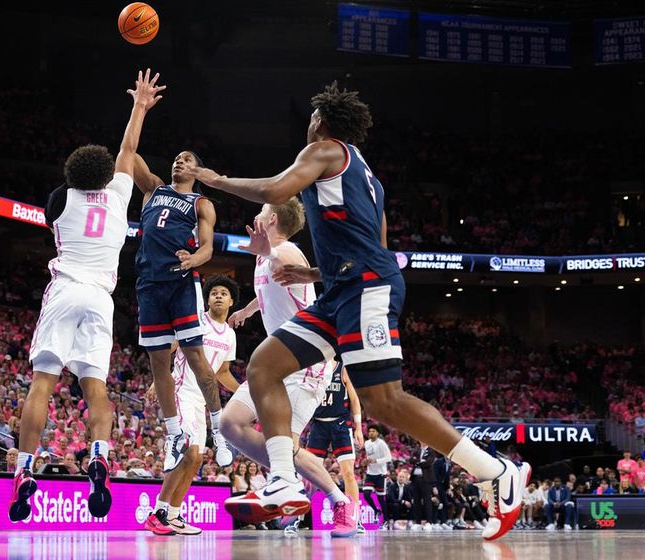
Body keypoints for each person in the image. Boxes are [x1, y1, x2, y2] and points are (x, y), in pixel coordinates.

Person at [187, 81, 529, 541]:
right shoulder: (370, 179)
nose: (308, 126)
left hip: (366, 288)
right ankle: (285, 481)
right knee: (265, 365)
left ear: (323, 122)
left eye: (312, 119)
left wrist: (213, 179)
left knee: (382, 399)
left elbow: (275, 188)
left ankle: (494, 470)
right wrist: (314, 277)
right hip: (345, 289)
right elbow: (375, 242)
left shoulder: (326, 150)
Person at [9, 68, 165, 522]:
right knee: (96, 389)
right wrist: (139, 105)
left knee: (43, 382)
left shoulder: (61, 199)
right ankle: (99, 455)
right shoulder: (119, 196)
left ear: (74, 175)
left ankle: (24, 469)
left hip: (65, 289)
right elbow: (128, 151)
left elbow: (68, 192)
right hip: (102, 297)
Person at [218, 202, 359, 536]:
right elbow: (274, 286)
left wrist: (265, 252)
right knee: (229, 424)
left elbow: (293, 267)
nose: (255, 215)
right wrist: (250, 309)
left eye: (261, 211)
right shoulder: (268, 255)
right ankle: (298, 483)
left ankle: (327, 498)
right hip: (276, 364)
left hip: (304, 363)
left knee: (284, 442)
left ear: (273, 219)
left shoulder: (287, 252)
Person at [131, 147, 230, 473]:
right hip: (149, 285)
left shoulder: (201, 203)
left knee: (196, 358)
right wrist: (139, 108)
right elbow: (128, 152)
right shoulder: (153, 189)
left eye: (188, 160)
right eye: (176, 157)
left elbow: (207, 248)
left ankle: (218, 427)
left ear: (198, 171)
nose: (179, 161)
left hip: (181, 283)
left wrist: (192, 260)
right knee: (159, 362)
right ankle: (175, 434)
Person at [144, 276, 240, 536]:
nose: (218, 296)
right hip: (181, 390)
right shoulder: (197, 320)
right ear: (207, 299)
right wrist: (158, 380)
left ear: (231, 301)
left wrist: (245, 392)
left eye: (224, 293)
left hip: (203, 401)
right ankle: (158, 513)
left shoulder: (230, 335)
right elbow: (172, 346)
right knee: (185, 449)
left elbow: (222, 372)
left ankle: (173, 516)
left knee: (196, 457)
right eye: (214, 293)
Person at [304, 363, 366, 533]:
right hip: (318, 426)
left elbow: (354, 399)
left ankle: (355, 518)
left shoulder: (342, 369)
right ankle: (298, 519)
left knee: (348, 473)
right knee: (309, 476)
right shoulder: (312, 369)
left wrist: (358, 428)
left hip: (340, 424)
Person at [363, 425, 392, 525]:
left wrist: (376, 461)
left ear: (378, 433)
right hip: (370, 473)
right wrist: (366, 462)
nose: (371, 433)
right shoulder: (366, 443)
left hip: (380, 474)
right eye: (369, 431)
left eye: (373, 431)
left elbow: (388, 457)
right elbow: (369, 456)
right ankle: (376, 510)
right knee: (366, 494)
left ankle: (386, 520)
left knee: (381, 499)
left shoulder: (381, 444)